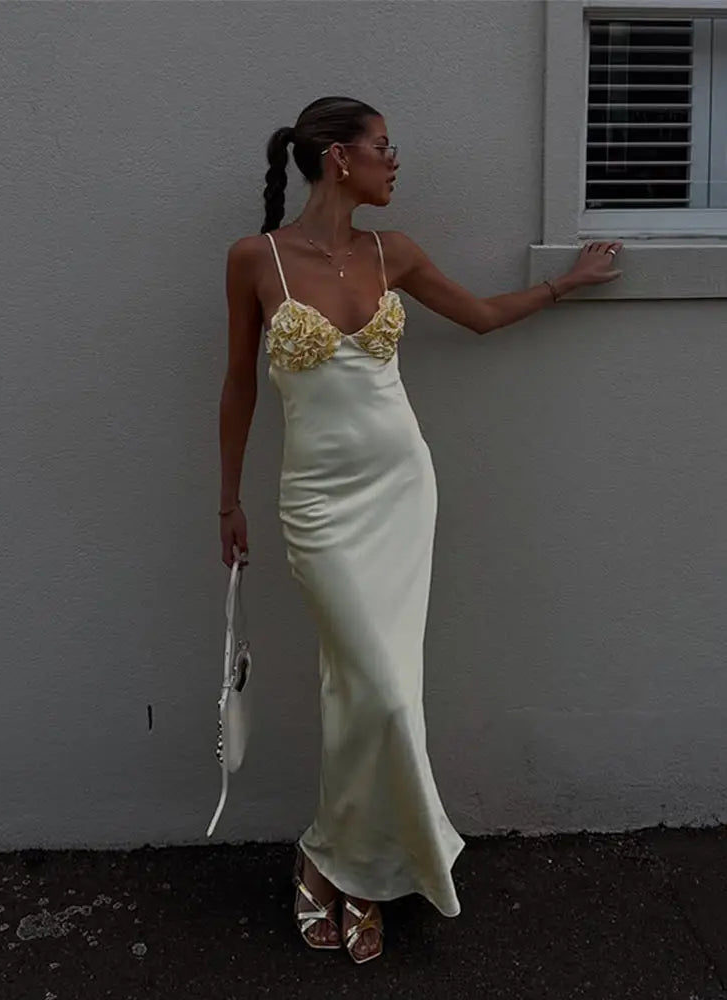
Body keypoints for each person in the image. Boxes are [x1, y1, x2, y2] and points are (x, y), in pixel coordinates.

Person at [218, 95, 623, 964]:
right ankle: (338, 855)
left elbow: (475, 317)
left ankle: (346, 868)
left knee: (376, 693)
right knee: (375, 693)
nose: (396, 164)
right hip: (319, 505)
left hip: (403, 490)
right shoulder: (257, 259)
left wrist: (565, 282)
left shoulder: (392, 252)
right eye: (384, 148)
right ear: (337, 158)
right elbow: (239, 386)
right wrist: (227, 500)